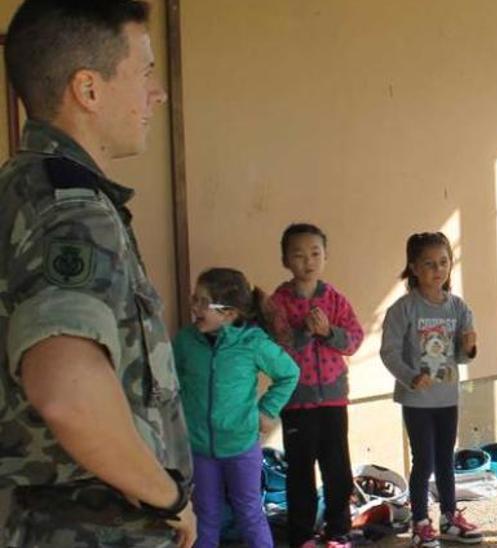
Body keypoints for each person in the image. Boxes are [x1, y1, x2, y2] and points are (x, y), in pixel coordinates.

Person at [0, 1, 195, 545]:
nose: (157, 94)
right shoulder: (72, 211)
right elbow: (66, 389)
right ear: (88, 89)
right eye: (146, 72)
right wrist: (167, 497)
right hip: (91, 528)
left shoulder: (22, 188)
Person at [174, 268, 299, 548]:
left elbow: (289, 373)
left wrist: (267, 410)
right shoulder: (185, 342)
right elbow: (171, 380)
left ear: (229, 313)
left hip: (241, 447)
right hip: (199, 448)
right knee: (205, 515)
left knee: (249, 514)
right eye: (194, 299)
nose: (194, 307)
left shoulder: (252, 344)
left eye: (203, 302)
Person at [380, 232, 484, 547]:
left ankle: (450, 517)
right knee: (423, 460)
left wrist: (470, 347)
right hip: (417, 400)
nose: (438, 269)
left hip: (447, 396)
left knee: (445, 459)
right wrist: (411, 377)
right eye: (429, 264)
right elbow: (389, 352)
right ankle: (420, 523)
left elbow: (463, 356)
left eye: (443, 262)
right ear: (413, 267)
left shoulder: (459, 308)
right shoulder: (403, 309)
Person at [269, 223, 365, 548]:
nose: (307, 261)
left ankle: (338, 531)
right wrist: (305, 333)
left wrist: (328, 332)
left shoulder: (334, 299)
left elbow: (354, 340)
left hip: (334, 401)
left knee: (338, 470)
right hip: (296, 403)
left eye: (315, 253)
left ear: (325, 256)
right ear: (285, 260)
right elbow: (274, 348)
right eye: (298, 255)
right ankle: (302, 535)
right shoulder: (278, 302)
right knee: (299, 473)